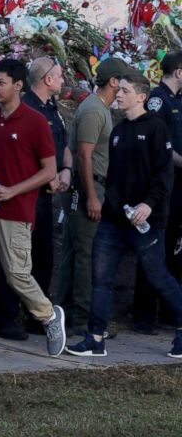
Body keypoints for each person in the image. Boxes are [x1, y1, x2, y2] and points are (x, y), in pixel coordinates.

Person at [66, 71, 182, 359]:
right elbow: (115, 177)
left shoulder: (156, 129)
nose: (118, 94)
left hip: (146, 223)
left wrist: (148, 206)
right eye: (119, 90)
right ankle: (95, 338)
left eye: (126, 91)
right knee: (101, 278)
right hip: (114, 222)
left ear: (141, 97)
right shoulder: (118, 131)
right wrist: (112, 206)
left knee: (158, 277)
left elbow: (164, 175)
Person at [0, 59, 65, 361]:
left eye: (0, 83)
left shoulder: (35, 121)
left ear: (18, 85)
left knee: (17, 275)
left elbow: (49, 170)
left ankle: (49, 316)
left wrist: (12, 190)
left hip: (18, 211)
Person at [0, 57, 73, 339]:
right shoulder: (24, 110)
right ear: (47, 79)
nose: (63, 81)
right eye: (59, 76)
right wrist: (48, 174)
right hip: (24, 195)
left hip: (46, 195)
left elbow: (63, 144)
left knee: (42, 256)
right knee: (15, 259)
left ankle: (36, 317)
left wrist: (66, 170)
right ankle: (5, 317)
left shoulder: (52, 109)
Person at [54, 59, 121, 334]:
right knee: (85, 255)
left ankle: (64, 313)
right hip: (87, 188)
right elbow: (84, 154)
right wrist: (92, 196)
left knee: (73, 251)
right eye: (123, 81)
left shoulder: (97, 107)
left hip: (85, 187)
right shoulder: (95, 110)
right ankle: (82, 319)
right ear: (114, 82)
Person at [133, 51, 182, 334]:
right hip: (162, 187)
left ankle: (168, 309)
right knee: (153, 247)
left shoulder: (177, 100)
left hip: (179, 186)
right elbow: (158, 144)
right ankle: (144, 314)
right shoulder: (157, 100)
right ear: (178, 72)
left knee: (175, 248)